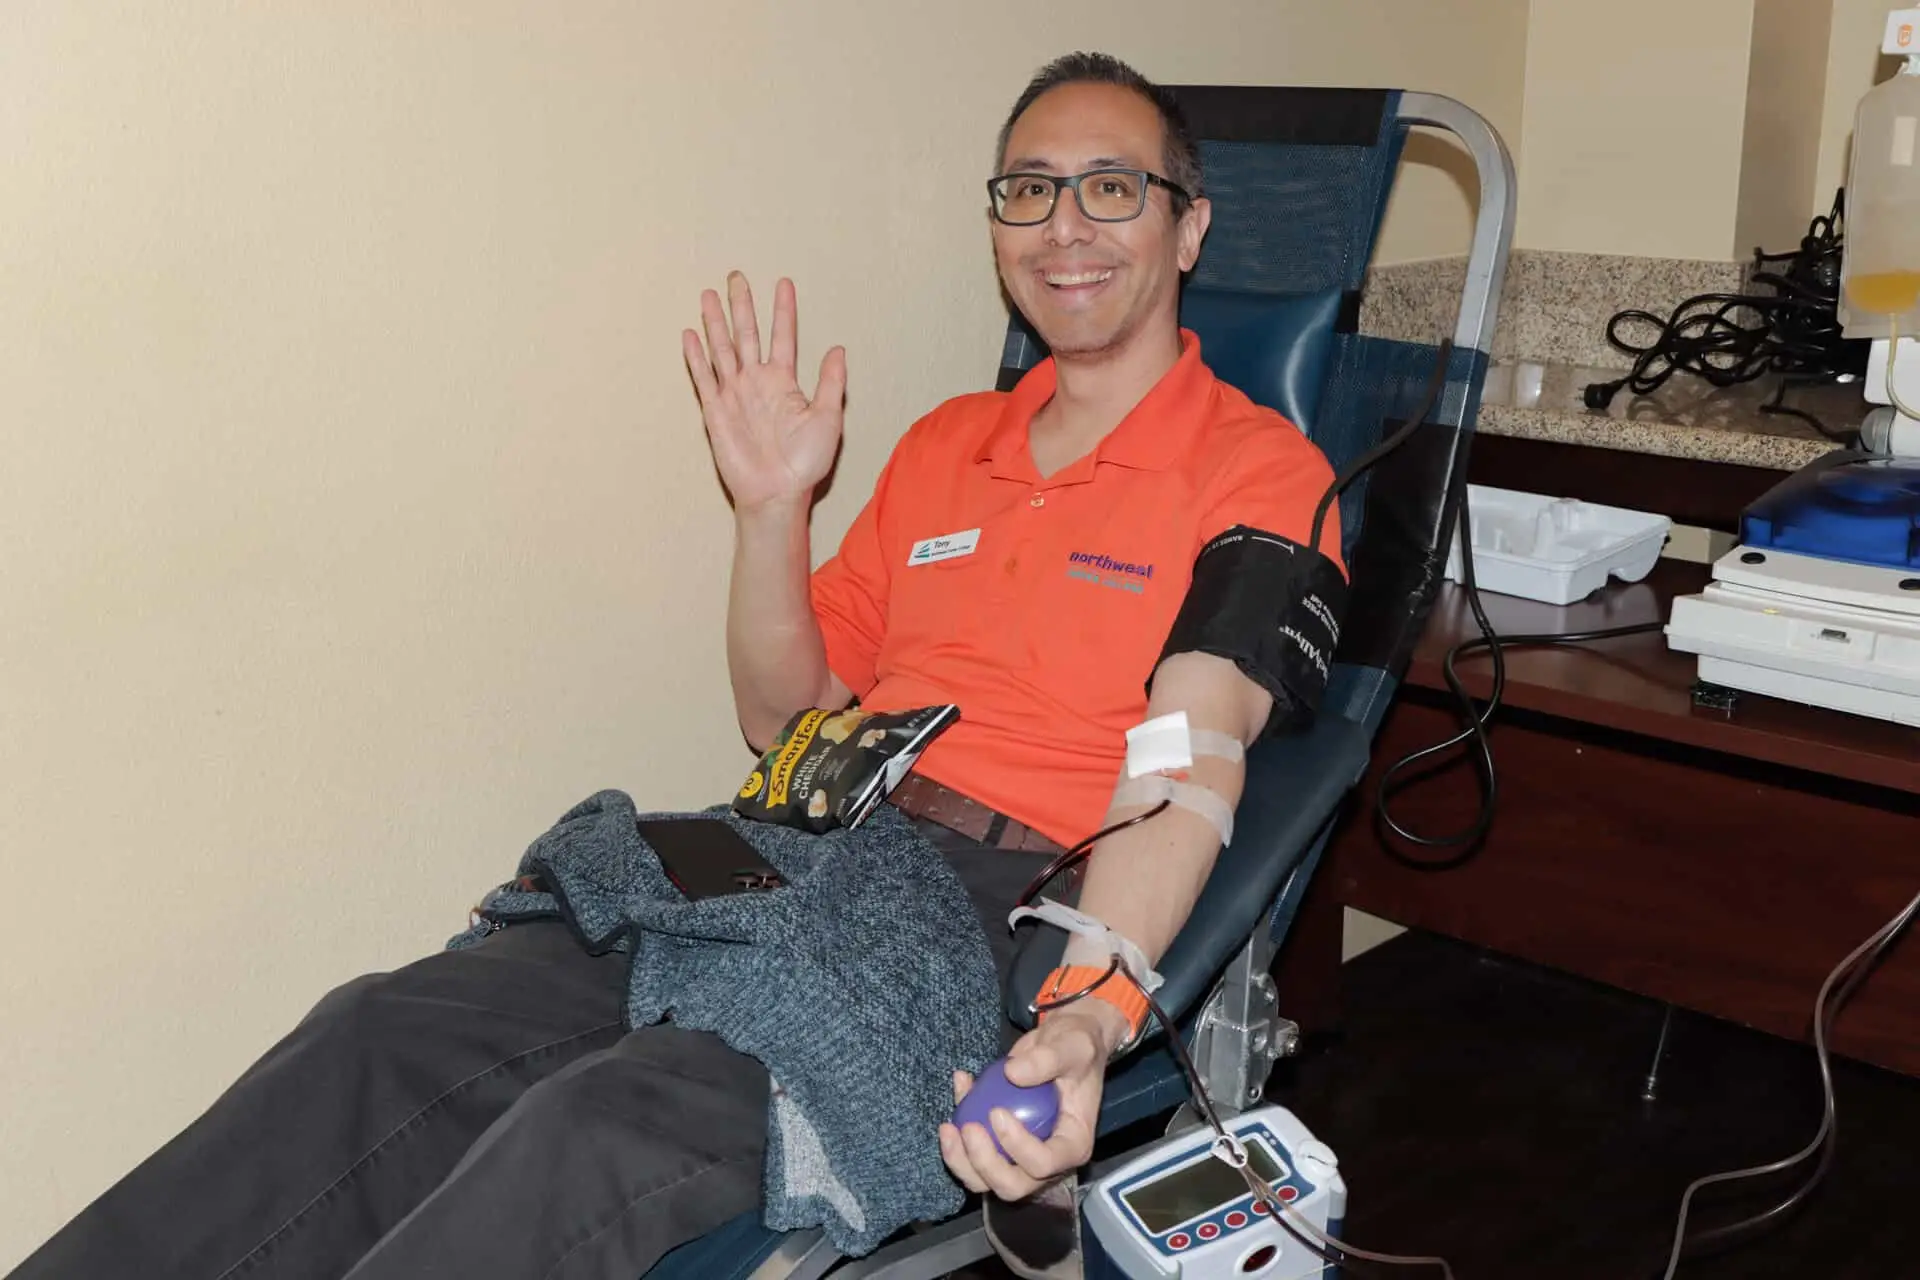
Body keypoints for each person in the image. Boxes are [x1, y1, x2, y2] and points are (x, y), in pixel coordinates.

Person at [8, 50, 1338, 1280]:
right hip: (804, 846)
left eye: (1112, 189)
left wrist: (1092, 1010)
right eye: (1030, 190)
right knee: (378, 1030)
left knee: (590, 1129)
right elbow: (787, 719)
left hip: (1003, 907)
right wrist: (771, 512)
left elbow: (1190, 756)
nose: (1064, 226)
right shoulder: (946, 445)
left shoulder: (1263, 472)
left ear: (1190, 226)